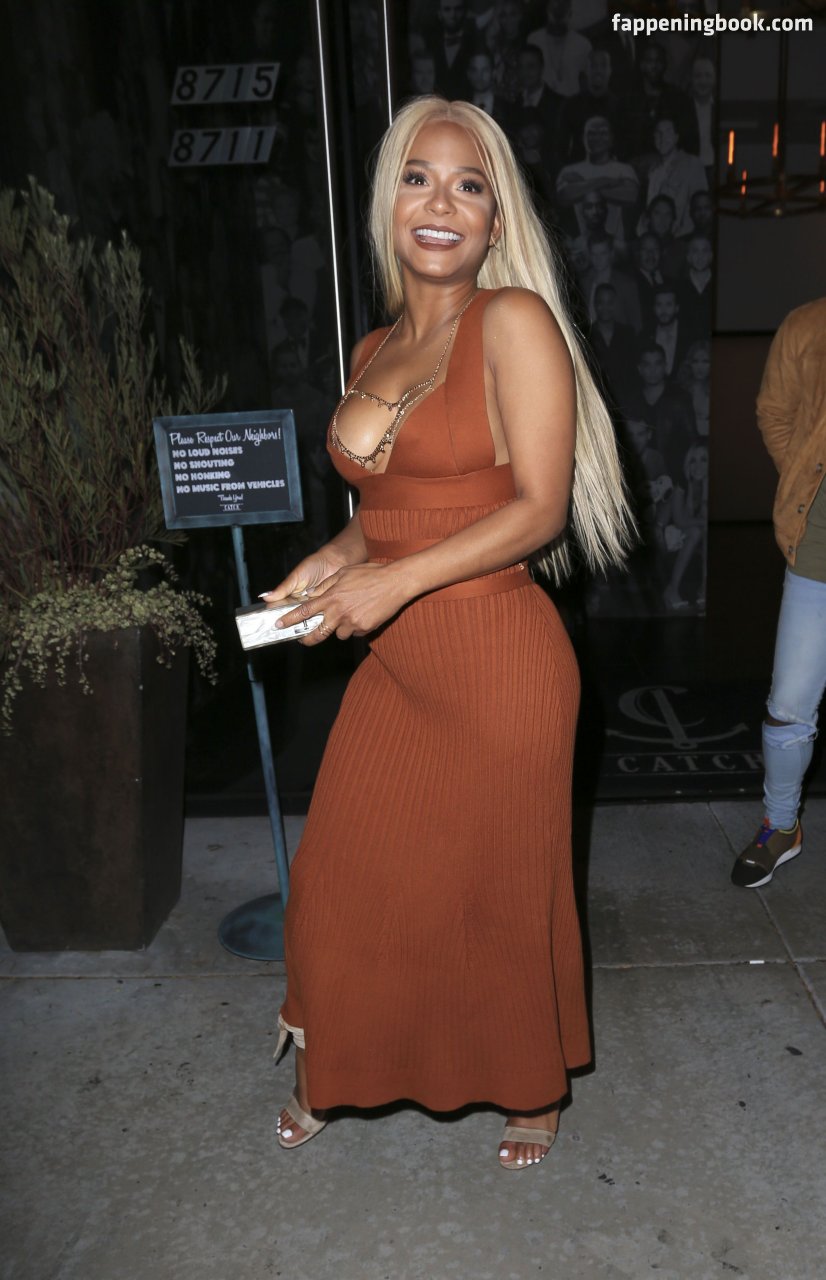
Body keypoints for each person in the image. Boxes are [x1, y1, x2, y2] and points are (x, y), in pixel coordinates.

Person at [261, 96, 633, 1170]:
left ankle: (531, 1086)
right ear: (390, 203)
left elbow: (537, 510)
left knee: (497, 896)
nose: (441, 202)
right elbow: (391, 505)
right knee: (337, 879)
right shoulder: (376, 342)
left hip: (499, 663)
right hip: (401, 665)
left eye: (469, 185)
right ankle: (336, 1061)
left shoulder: (511, 322)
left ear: (494, 220)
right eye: (419, 178)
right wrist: (335, 560)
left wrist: (391, 583)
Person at [730, 298, 826, 889]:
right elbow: (775, 411)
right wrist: (801, 477)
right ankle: (781, 825)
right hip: (819, 542)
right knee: (788, 705)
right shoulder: (808, 324)